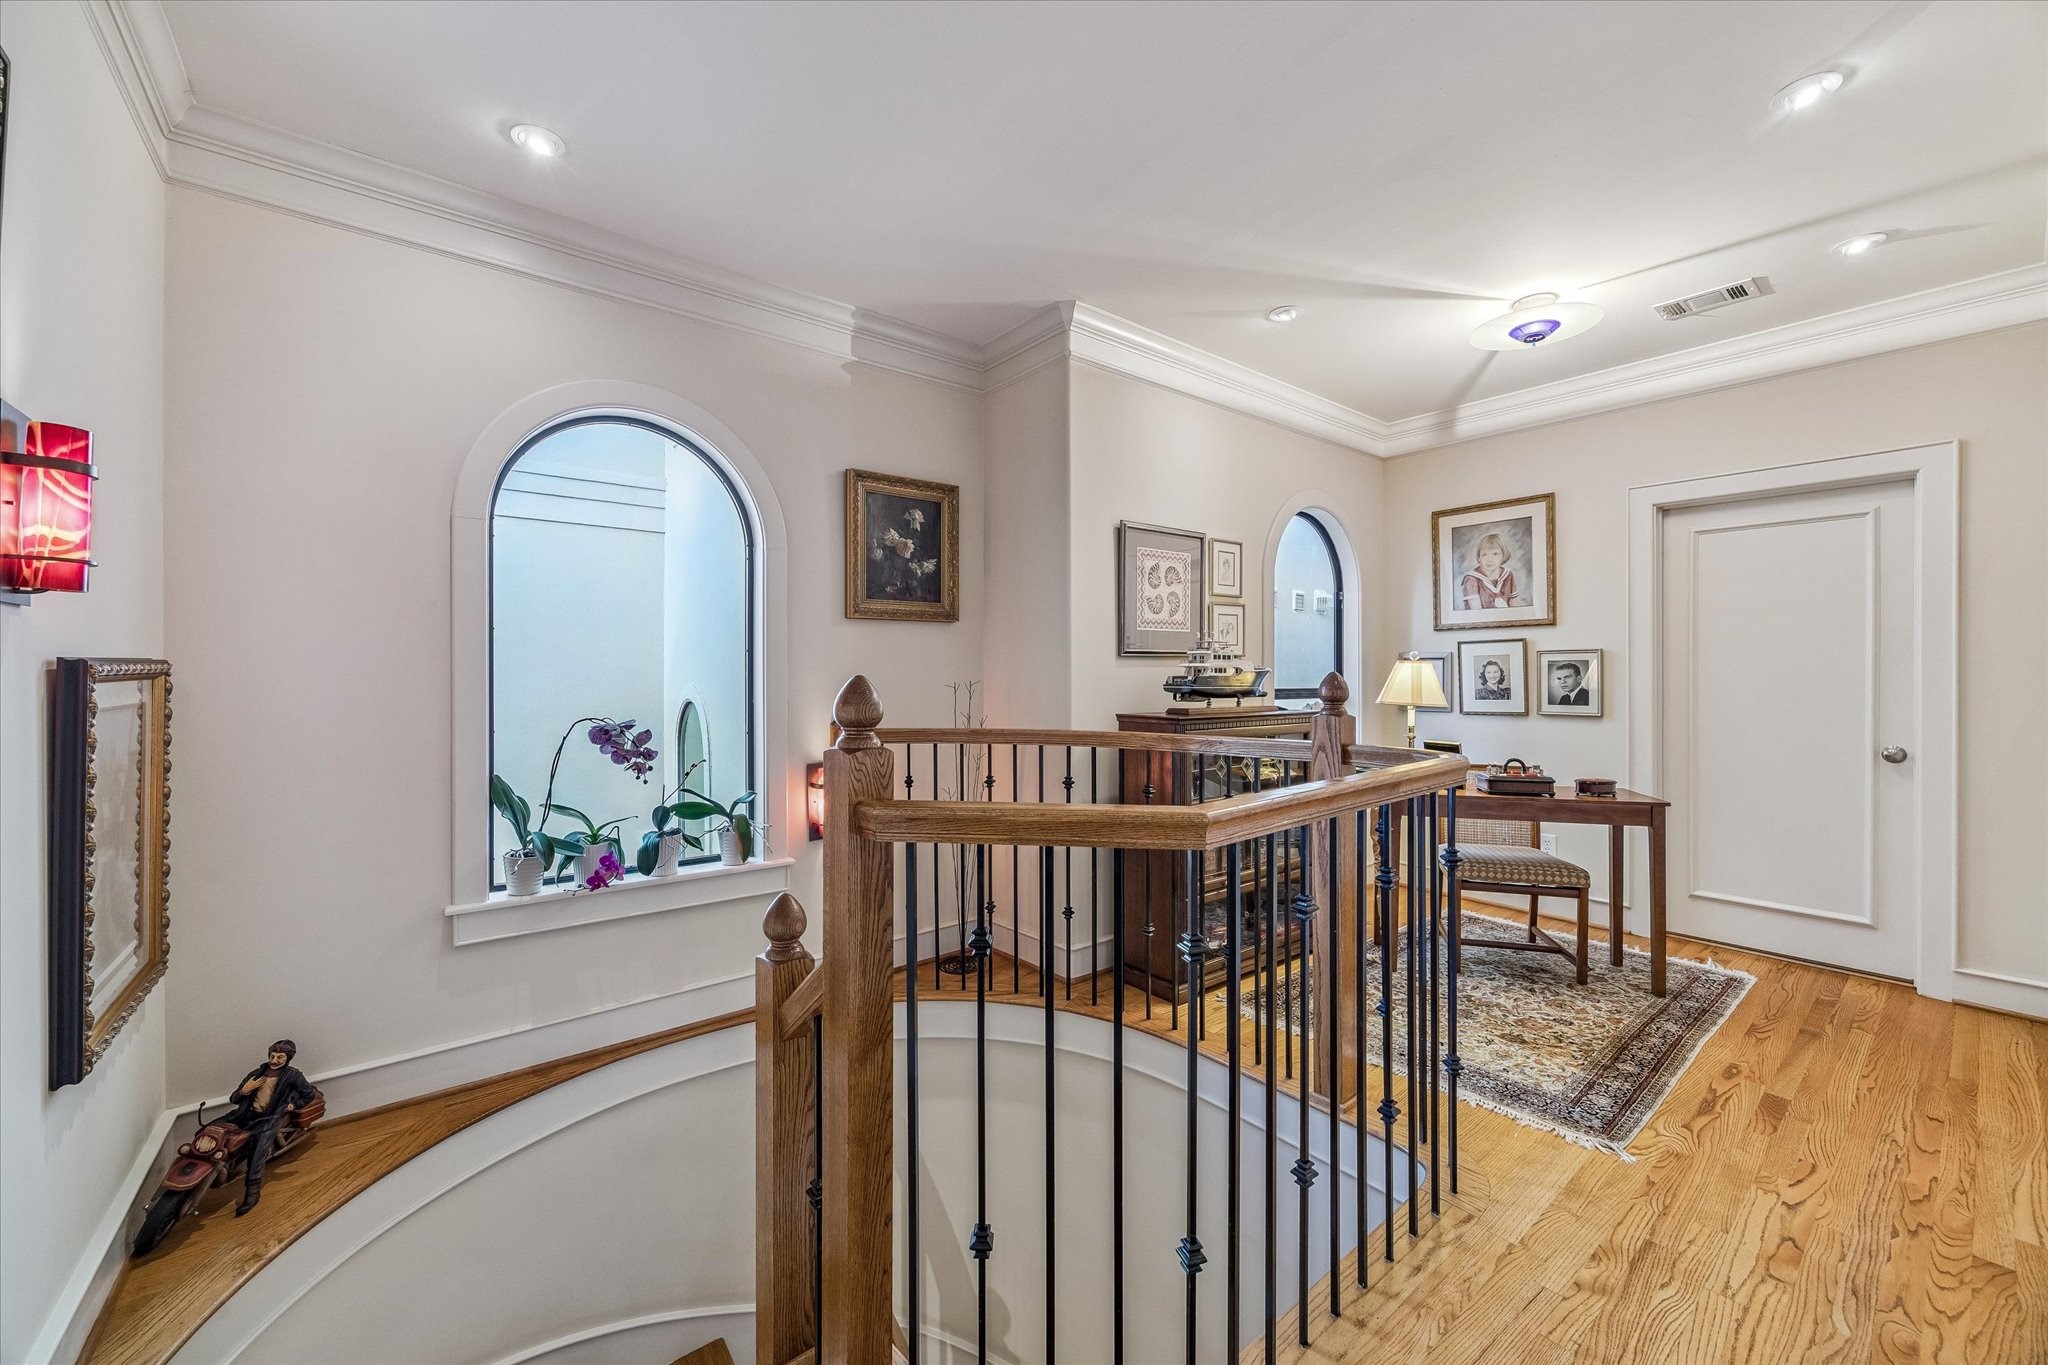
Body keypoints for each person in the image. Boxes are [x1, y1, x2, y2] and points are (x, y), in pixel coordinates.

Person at [218, 1039, 317, 1215]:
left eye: (280, 1057)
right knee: (215, 1130)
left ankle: (252, 1192)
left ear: (288, 1058)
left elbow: (308, 1094)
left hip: (270, 1119)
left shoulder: (293, 1075)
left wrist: (292, 1106)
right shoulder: (257, 1073)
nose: (275, 1060)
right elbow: (234, 1099)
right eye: (273, 1055)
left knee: (258, 1152)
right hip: (246, 1115)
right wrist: (245, 1090)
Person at [1458, 531, 1522, 610]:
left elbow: (1515, 607)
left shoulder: (1508, 575)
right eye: (1484, 555)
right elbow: (1477, 612)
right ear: (1479, 557)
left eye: (1495, 554)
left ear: (1503, 555)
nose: (1489, 560)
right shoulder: (1471, 579)